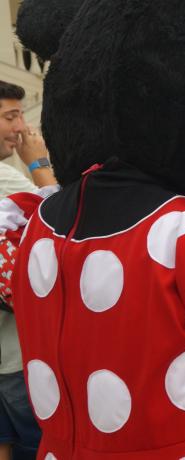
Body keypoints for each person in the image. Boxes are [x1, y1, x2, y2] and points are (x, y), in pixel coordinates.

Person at [0, 80, 57, 460]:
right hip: (21, 359)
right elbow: (67, 236)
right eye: (10, 116)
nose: (22, 127)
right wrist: (40, 165)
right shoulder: (9, 184)